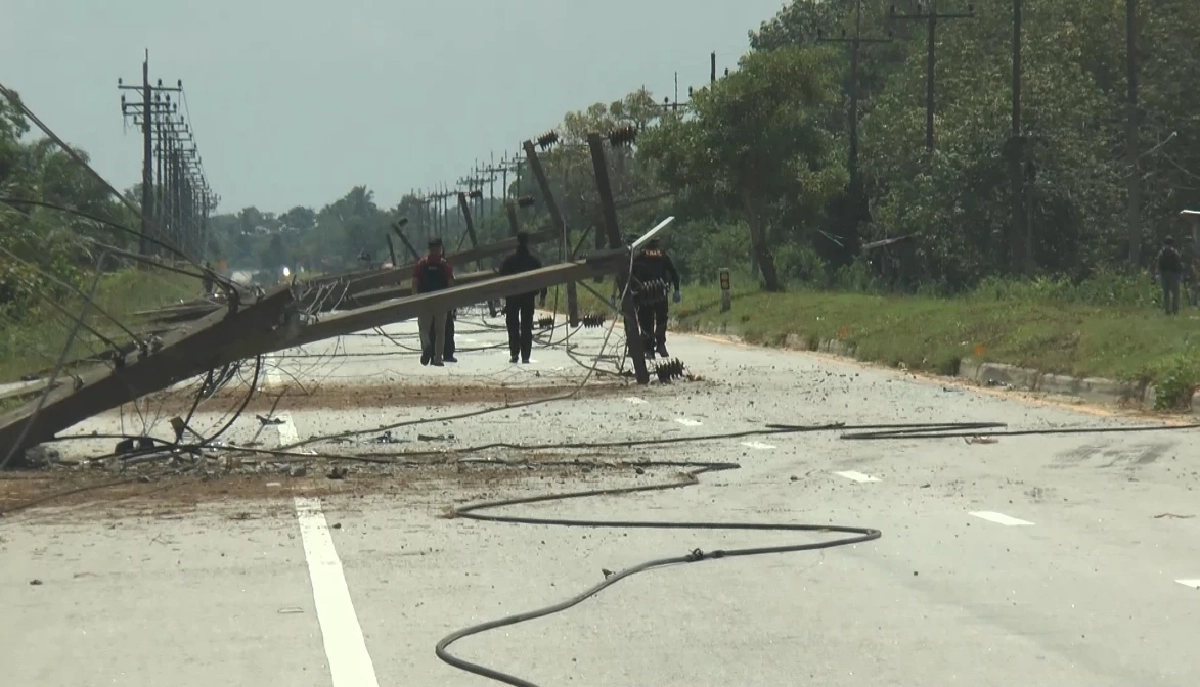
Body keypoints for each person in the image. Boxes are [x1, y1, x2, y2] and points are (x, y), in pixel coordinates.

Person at [498, 231, 546, 363]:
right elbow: (542, 279)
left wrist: (501, 296)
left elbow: (501, 278)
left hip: (512, 297)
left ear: (517, 241)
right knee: (526, 326)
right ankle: (526, 355)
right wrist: (543, 296)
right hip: (528, 297)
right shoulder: (534, 261)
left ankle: (514, 352)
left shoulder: (509, 260)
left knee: (513, 325)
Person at [631, 237, 681, 358]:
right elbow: (674, 273)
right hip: (656, 293)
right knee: (659, 320)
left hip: (647, 294)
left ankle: (652, 348)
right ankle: (658, 346)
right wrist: (676, 290)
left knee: (649, 322)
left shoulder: (640, 256)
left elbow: (629, 274)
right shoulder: (662, 255)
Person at [413, 237, 454, 366]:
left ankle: (426, 346)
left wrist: (415, 298)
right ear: (440, 248)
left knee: (424, 329)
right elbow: (450, 283)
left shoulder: (421, 264)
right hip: (441, 301)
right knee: (440, 330)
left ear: (429, 249)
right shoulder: (444, 264)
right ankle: (437, 358)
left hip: (424, 301)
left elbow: (415, 282)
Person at [1157, 236, 1183, 315]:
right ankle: (1175, 309)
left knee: (1166, 293)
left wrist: (1159, 273)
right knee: (1175, 293)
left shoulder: (1161, 253)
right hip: (1173, 275)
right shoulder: (1175, 253)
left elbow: (1159, 265)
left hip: (1164, 274)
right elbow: (1178, 265)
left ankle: (1167, 310)